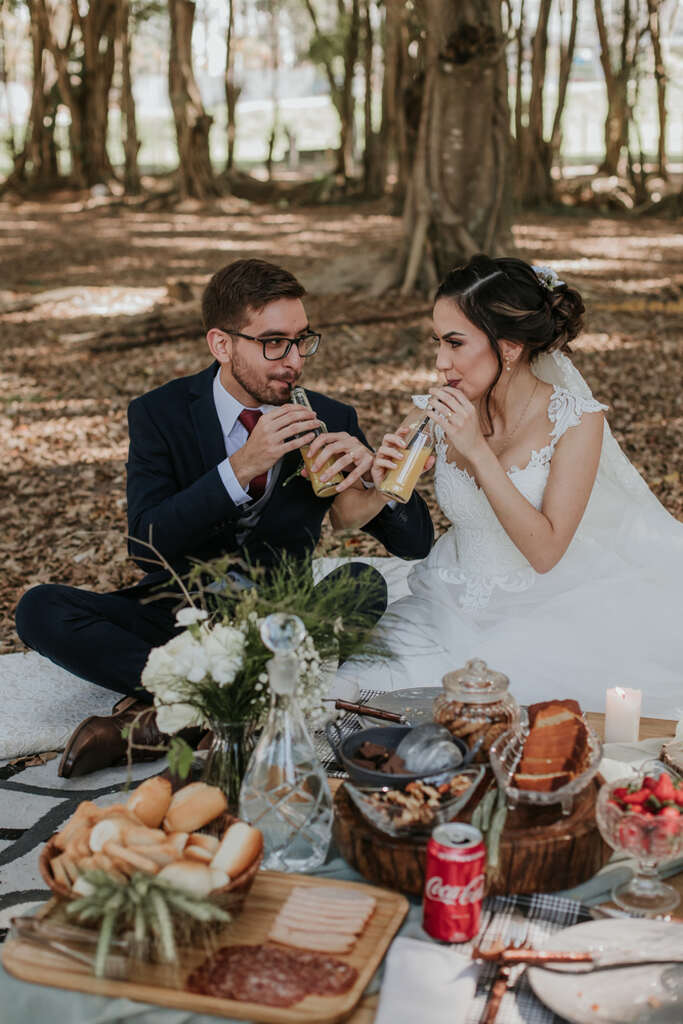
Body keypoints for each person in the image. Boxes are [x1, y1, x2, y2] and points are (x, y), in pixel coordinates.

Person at [15, 258, 433, 776]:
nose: (294, 361)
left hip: (280, 619)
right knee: (39, 610)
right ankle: (226, 703)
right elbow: (146, 544)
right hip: (177, 616)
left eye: (303, 340)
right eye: (274, 343)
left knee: (362, 585)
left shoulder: (331, 416)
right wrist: (241, 467)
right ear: (222, 344)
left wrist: (378, 481)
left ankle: (159, 720)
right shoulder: (159, 413)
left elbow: (415, 545)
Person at [336, 254, 683, 718]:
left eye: (456, 343)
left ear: (511, 347)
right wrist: (378, 484)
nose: (441, 362)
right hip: (446, 602)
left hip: (546, 607)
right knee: (351, 690)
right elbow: (345, 519)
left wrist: (477, 451)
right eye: (437, 342)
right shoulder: (435, 410)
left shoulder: (577, 421)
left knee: (496, 711)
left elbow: (546, 552)